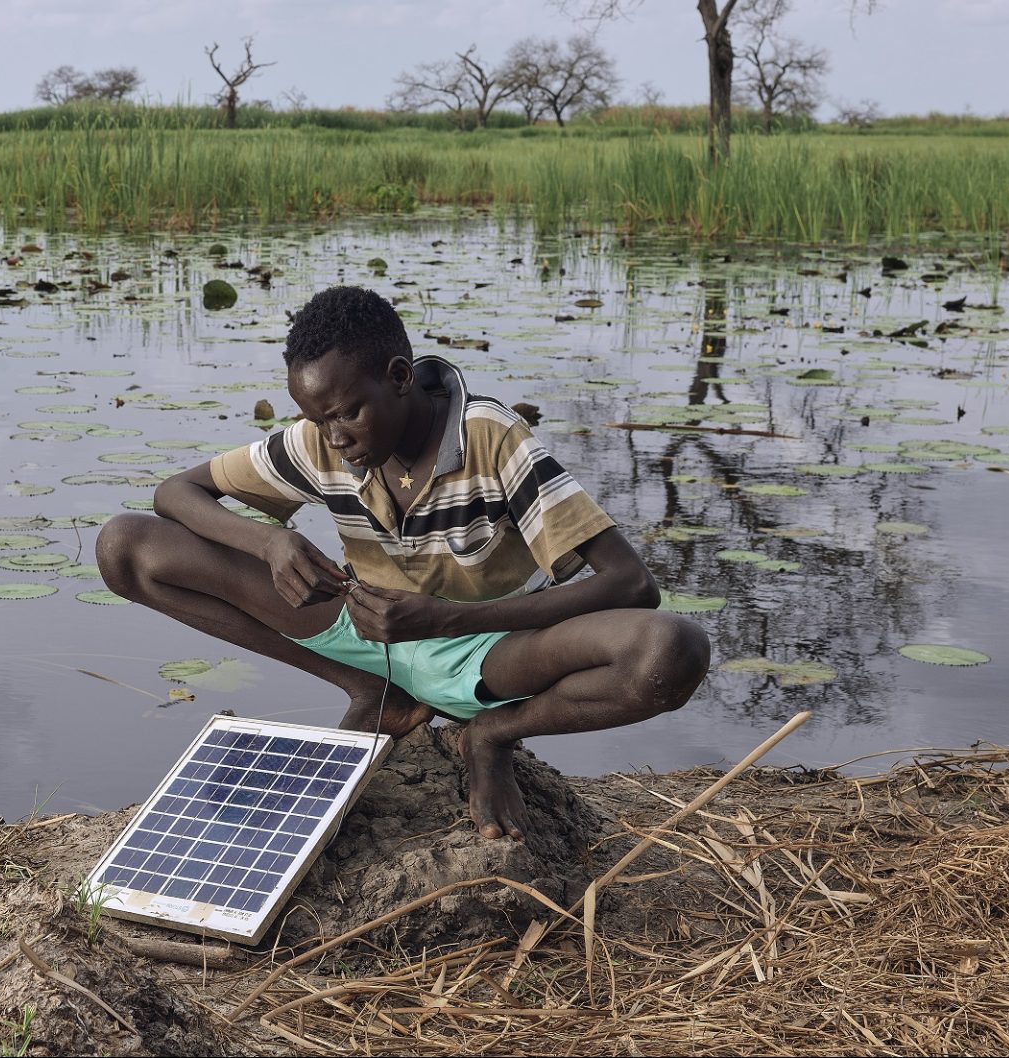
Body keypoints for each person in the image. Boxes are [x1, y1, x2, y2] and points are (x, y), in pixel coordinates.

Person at [96, 285, 710, 841]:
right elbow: (174, 494)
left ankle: (490, 735)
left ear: (399, 377)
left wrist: (446, 621)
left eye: (345, 414)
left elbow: (630, 583)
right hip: (364, 629)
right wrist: (270, 543)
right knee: (124, 547)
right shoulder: (318, 440)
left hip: (489, 649)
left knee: (668, 651)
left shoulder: (491, 437)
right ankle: (372, 689)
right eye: (316, 418)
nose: (333, 437)